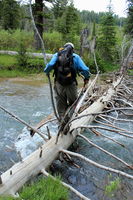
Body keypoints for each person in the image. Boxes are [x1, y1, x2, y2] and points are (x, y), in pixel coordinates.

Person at [44, 42, 90, 121]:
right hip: (71, 84)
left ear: (64, 47)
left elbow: (50, 65)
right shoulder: (75, 57)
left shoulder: (57, 55)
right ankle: (70, 119)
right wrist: (86, 77)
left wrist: (46, 71)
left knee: (61, 105)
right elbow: (85, 69)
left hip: (59, 84)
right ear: (73, 49)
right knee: (73, 103)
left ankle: (62, 121)